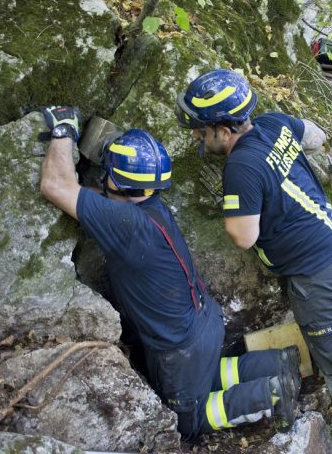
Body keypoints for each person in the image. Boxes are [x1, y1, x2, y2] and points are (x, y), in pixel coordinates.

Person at [175, 70, 332, 454]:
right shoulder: (273, 123)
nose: (195, 137)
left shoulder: (241, 167)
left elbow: (244, 235)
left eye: (200, 130)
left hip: (315, 275)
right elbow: (315, 135)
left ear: (222, 129)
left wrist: (234, 198)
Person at [37, 106, 301, 440]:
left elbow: (55, 185)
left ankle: (274, 393)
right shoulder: (149, 207)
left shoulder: (125, 224)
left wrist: (64, 130)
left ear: (115, 180)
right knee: (207, 377)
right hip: (203, 323)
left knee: (188, 422)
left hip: (180, 348)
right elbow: (94, 202)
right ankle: (276, 364)